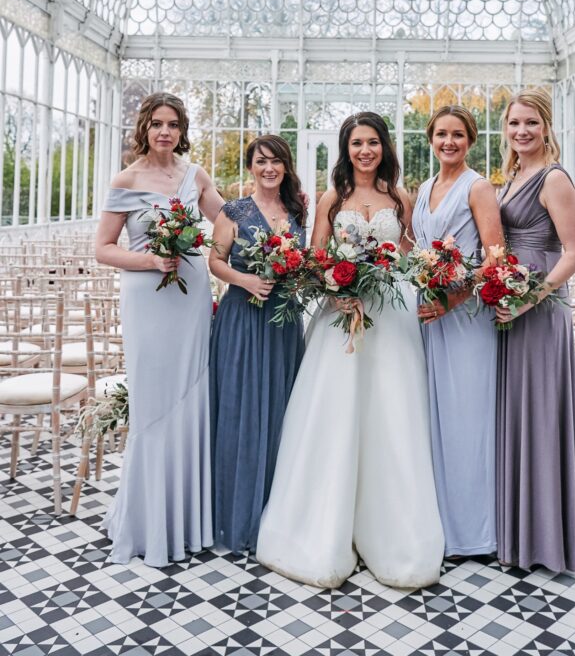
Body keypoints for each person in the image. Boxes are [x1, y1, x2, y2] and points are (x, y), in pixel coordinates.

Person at [256, 112, 444, 588]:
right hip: (341, 318)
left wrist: (415, 273)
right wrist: (335, 288)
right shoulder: (332, 198)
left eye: (373, 142)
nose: (365, 151)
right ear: (346, 149)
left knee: (391, 415)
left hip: (391, 318)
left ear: (384, 148)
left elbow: (409, 256)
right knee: (335, 415)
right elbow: (316, 257)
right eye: (357, 143)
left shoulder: (399, 198)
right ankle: (324, 528)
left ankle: (391, 532)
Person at [96, 92, 225, 566]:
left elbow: (230, 221)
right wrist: (150, 259)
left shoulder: (195, 175)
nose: (165, 131)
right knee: (154, 400)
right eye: (157, 124)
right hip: (147, 298)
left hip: (190, 297)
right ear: (144, 129)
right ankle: (148, 521)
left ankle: (189, 520)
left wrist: (284, 204)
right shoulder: (126, 179)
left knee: (192, 394)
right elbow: (103, 249)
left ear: (182, 130)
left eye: (172, 124)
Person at [496, 88, 575, 572]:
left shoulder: (554, 178)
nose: (522, 131)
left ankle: (545, 540)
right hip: (510, 304)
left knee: (538, 413)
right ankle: (516, 530)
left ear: (547, 126)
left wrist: (529, 299)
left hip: (540, 308)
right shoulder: (512, 176)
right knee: (516, 412)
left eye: (531, 122)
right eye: (515, 123)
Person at [413, 105, 505, 559]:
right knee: (436, 421)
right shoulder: (425, 188)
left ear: (470, 140)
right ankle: (441, 525)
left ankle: (475, 533)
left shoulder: (478, 187)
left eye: (458, 135)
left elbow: (495, 257)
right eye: (441, 134)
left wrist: (452, 299)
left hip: (465, 319)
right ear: (431, 139)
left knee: (467, 420)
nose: (448, 142)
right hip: (429, 318)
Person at [208, 135, 306, 554]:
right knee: (241, 409)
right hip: (243, 320)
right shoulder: (233, 211)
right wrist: (246, 280)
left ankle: (276, 511)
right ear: (250, 167)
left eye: (276, 161)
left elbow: (305, 261)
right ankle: (237, 512)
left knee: (281, 409)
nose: (269, 168)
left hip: (283, 321)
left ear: (285, 166)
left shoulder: (296, 211)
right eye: (261, 161)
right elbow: (215, 261)